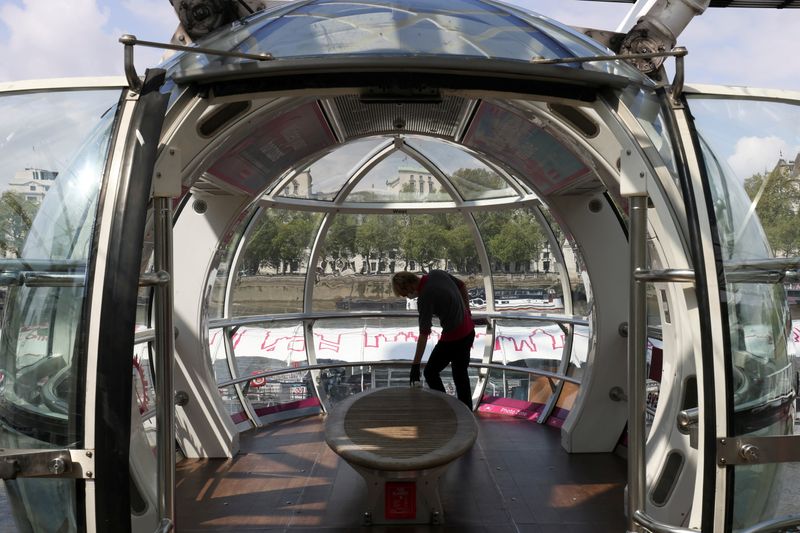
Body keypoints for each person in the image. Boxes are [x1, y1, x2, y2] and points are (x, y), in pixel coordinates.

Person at [391, 270, 475, 410]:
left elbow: (424, 333)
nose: (408, 297)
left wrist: (415, 365)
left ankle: (446, 408)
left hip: (454, 338)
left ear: (408, 286)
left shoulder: (424, 297)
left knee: (430, 372)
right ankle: (467, 413)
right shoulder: (437, 274)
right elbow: (462, 286)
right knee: (460, 375)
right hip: (468, 332)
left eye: (405, 294)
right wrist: (468, 312)